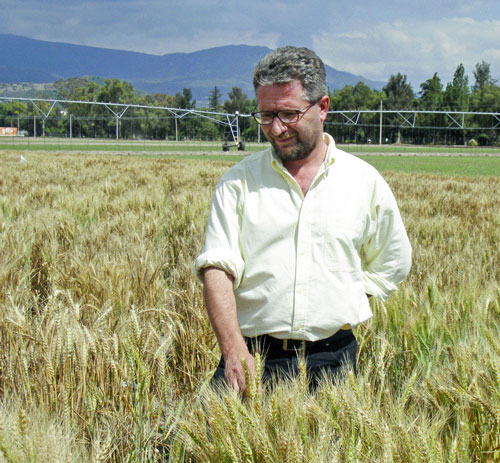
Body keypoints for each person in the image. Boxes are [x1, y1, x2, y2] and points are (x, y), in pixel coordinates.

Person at [194, 46, 412, 393]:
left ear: (322, 107)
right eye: (265, 115)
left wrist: (344, 296)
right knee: (185, 447)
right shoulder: (237, 183)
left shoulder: (364, 183)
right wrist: (233, 349)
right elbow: (217, 269)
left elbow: (392, 263)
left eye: (289, 114)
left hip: (332, 362)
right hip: (251, 357)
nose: (276, 129)